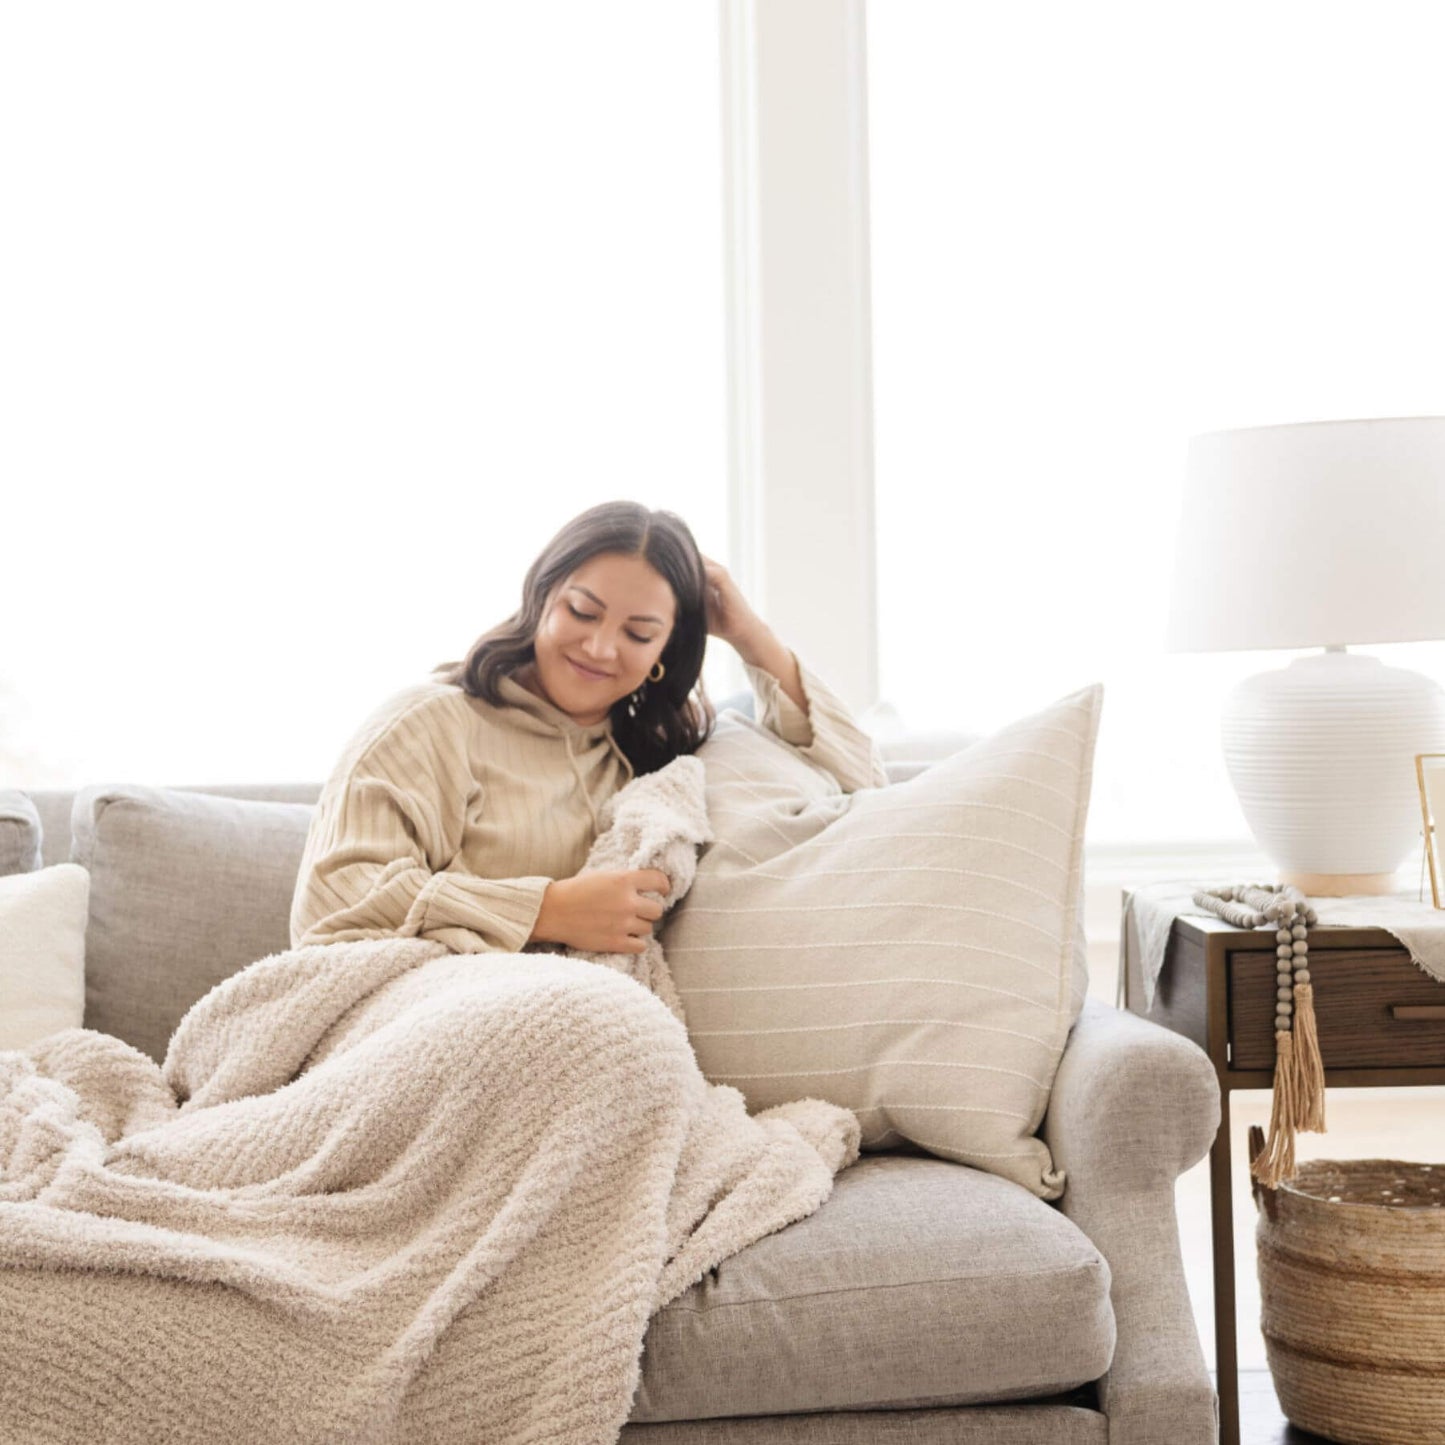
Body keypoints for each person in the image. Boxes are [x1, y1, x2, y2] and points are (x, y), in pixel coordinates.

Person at [288, 500, 887, 959]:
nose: (600, 647)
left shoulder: (652, 759)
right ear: (543, 594)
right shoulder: (431, 725)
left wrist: (750, 635)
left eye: (638, 632)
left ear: (665, 650)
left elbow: (865, 786)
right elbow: (332, 902)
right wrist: (545, 910)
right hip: (428, 1017)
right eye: (583, 611)